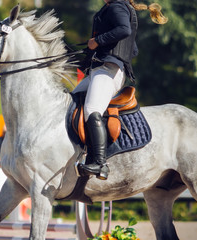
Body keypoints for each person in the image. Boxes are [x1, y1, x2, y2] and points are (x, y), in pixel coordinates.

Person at [73, 0, 167, 180]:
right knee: (73, 99)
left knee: (92, 110)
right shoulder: (116, 7)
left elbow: (124, 30)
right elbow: (133, 49)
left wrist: (98, 42)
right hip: (100, 68)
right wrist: (98, 50)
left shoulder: (116, 6)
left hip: (109, 70)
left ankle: (100, 164)